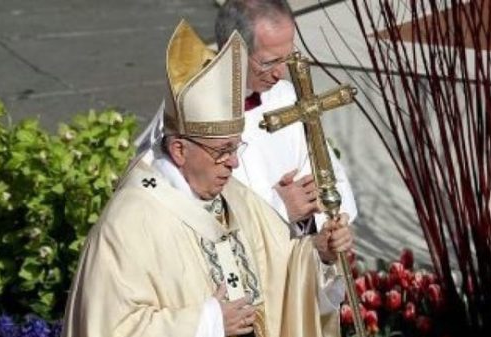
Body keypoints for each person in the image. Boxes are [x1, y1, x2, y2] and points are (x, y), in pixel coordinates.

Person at [35, 20, 352, 337]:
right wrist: (205, 324)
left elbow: (280, 266)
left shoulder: (234, 198)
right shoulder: (135, 220)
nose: (232, 163)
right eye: (222, 152)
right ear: (180, 149)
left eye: (235, 149)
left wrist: (319, 255)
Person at [135, 0, 358, 234]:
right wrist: (278, 208)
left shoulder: (288, 97)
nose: (280, 72)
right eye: (269, 62)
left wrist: (320, 214)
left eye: (287, 58)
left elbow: (330, 180)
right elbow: (173, 207)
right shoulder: (191, 111)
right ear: (230, 50)